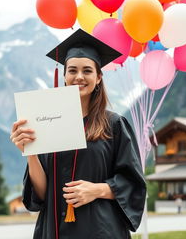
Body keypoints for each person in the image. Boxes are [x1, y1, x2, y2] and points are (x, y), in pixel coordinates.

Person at [10, 29, 146, 239]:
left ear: (99, 77)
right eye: (72, 70)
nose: (79, 77)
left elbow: (133, 184)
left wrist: (98, 189)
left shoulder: (114, 125)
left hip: (100, 229)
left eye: (88, 71)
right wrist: (30, 152)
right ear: (64, 76)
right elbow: (42, 195)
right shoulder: (46, 122)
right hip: (54, 229)